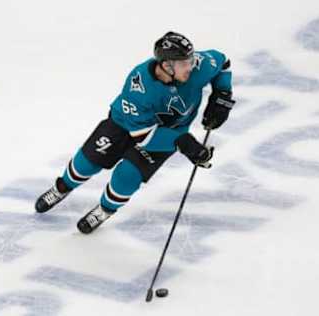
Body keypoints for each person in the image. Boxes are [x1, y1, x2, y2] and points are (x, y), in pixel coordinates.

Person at [35, 31, 235, 234]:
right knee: (87, 163)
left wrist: (222, 94)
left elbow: (223, 62)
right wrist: (183, 143)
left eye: (191, 60)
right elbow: (143, 137)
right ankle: (61, 188)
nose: (191, 66)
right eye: (184, 63)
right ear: (167, 65)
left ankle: (105, 210)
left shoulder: (198, 66)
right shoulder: (139, 87)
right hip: (126, 124)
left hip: (169, 133)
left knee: (127, 176)